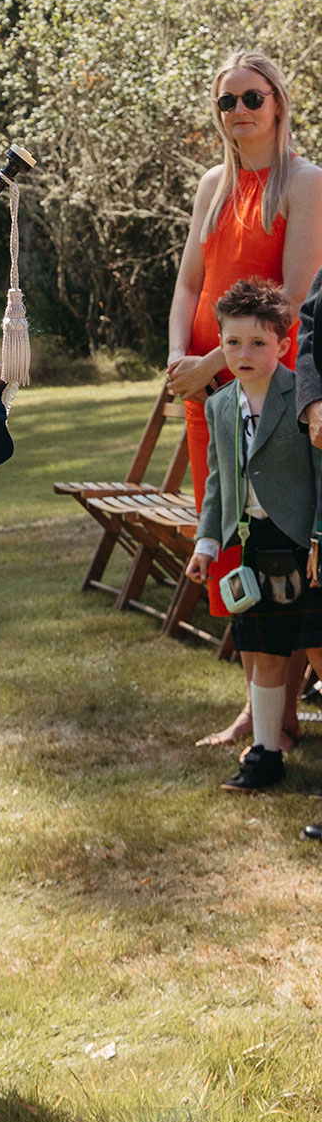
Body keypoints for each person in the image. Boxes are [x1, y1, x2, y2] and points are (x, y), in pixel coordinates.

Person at [166, 52, 322, 748]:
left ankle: (276, 718)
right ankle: (263, 714)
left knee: (276, 546)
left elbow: (295, 298)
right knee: (232, 543)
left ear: (279, 102)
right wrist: (179, 358)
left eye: (252, 97)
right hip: (210, 398)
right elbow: (188, 284)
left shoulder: (306, 183)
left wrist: (213, 362)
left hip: (269, 393)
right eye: (226, 101)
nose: (239, 111)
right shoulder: (212, 184)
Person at [185, 280, 322, 791]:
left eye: (258, 343)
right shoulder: (220, 405)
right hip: (251, 547)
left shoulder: (305, 397)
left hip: (305, 545)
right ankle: (265, 754)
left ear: (284, 346)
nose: (244, 354)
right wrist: (206, 544)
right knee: (264, 653)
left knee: (318, 648)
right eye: (233, 343)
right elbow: (218, 483)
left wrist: (320, 537)